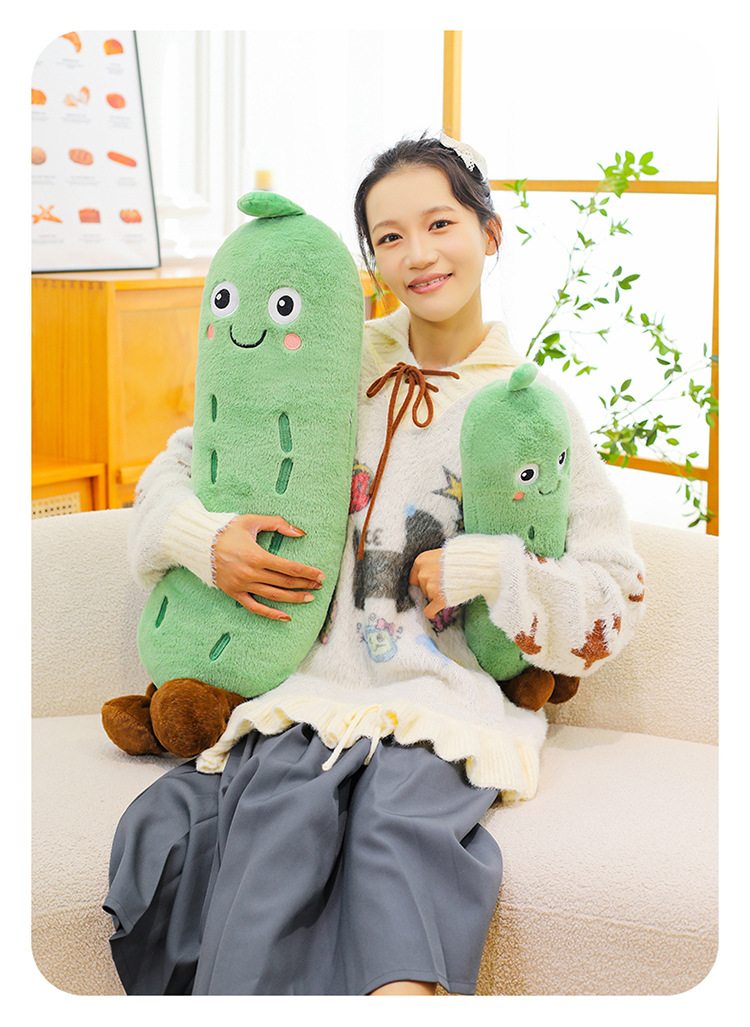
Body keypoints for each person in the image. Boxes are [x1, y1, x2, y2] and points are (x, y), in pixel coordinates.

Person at [104, 133, 646, 996]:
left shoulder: (531, 410)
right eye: (390, 236)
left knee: (394, 865)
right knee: (244, 851)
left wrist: (495, 570)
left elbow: (614, 591)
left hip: (443, 706)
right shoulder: (331, 364)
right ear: (371, 258)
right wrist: (204, 539)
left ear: (490, 232)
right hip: (300, 698)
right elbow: (179, 465)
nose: (419, 254)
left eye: (440, 223)